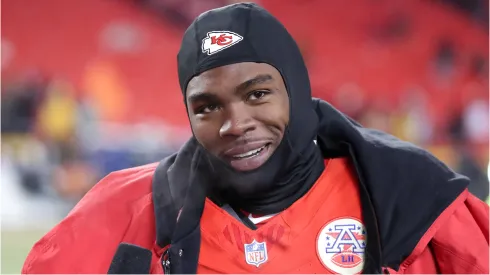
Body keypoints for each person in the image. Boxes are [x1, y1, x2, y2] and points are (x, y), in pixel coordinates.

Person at [22, 3, 488, 274]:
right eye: (207, 107)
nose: (234, 122)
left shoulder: (411, 201)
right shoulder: (125, 210)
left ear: (298, 91)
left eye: (258, 93)